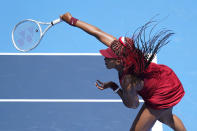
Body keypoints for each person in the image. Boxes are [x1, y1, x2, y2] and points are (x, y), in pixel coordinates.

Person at [60, 12, 186, 131]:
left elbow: (133, 104)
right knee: (167, 118)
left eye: (109, 57)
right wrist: (72, 20)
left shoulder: (128, 81)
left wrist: (114, 87)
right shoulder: (122, 50)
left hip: (161, 92)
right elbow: (98, 33)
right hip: (166, 77)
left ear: (119, 62)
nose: (105, 58)